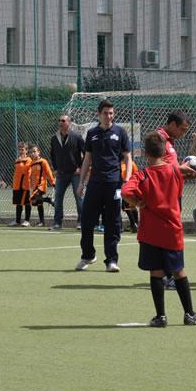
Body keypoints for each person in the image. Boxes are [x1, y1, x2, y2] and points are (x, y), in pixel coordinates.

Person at [121, 131, 196, 327]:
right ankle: (189, 314)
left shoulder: (142, 175)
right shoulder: (174, 170)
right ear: (163, 151)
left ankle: (161, 316)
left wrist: (137, 203)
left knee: (156, 272)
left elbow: (125, 191)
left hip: (150, 232)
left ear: (146, 154)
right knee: (179, 271)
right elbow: (188, 171)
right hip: (171, 231)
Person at [76, 99, 133, 272]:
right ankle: (88, 255)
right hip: (94, 183)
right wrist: (81, 183)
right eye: (105, 113)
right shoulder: (92, 133)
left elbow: (128, 157)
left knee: (112, 223)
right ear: (99, 114)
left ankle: (111, 260)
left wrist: (127, 180)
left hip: (114, 184)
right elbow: (87, 159)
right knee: (86, 221)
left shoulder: (120, 132)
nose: (109, 116)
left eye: (111, 113)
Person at [49, 115, 85, 230]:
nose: (60, 122)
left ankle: (81, 222)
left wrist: (81, 168)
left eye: (63, 121)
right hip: (61, 174)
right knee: (58, 198)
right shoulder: (54, 138)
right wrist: (55, 169)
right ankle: (57, 223)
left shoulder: (77, 137)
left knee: (79, 197)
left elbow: (87, 154)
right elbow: (53, 155)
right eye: (59, 120)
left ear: (69, 123)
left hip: (75, 173)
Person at [27, 144, 55, 227]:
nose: (33, 153)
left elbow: (48, 172)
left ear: (39, 152)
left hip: (41, 185)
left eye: (35, 151)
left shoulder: (43, 161)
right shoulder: (31, 163)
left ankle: (48, 199)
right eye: (31, 152)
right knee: (37, 203)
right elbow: (31, 176)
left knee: (32, 199)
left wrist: (53, 183)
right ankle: (42, 222)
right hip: (35, 187)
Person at [11, 142, 33, 227]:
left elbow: (25, 170)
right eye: (19, 149)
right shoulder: (17, 160)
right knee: (18, 203)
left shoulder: (28, 160)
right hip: (17, 185)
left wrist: (21, 161)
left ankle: (27, 220)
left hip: (25, 184)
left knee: (27, 203)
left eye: (22, 149)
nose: (21, 151)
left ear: (26, 150)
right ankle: (17, 220)